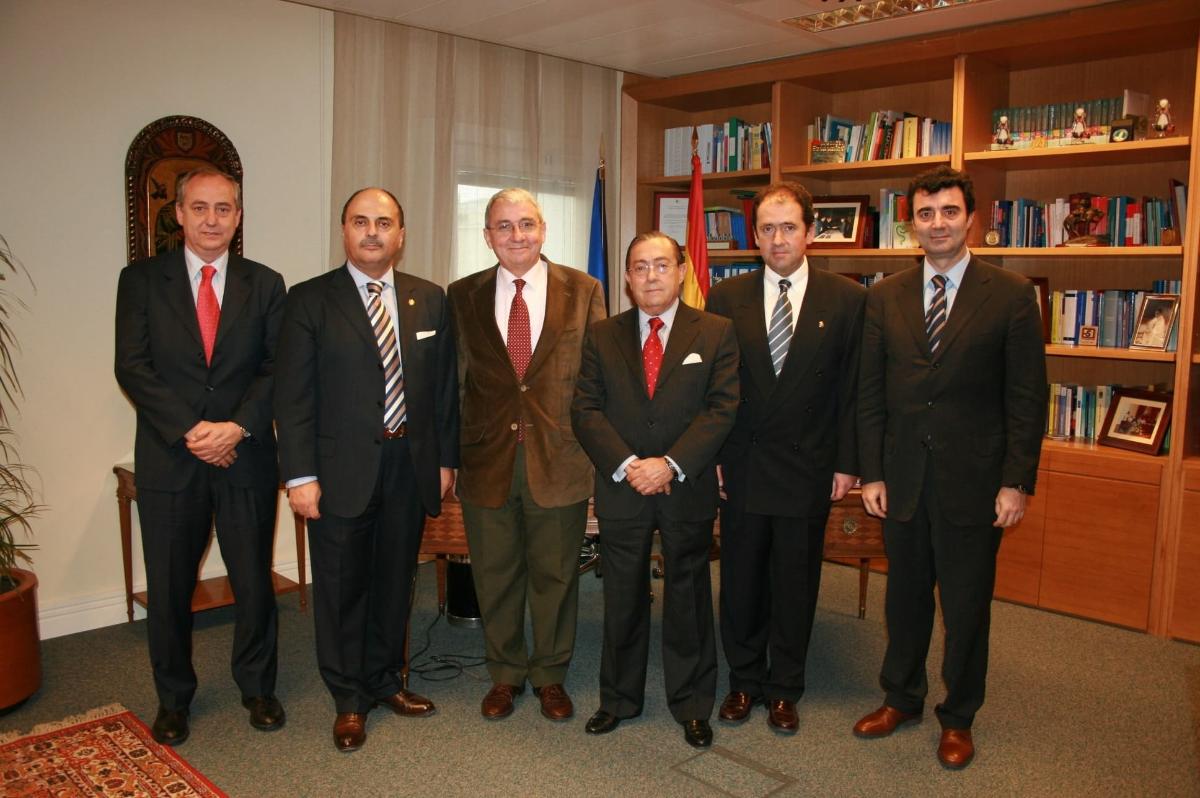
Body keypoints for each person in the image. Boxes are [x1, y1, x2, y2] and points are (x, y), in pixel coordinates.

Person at [854, 166, 1047, 769]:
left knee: (965, 609)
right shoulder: (884, 295)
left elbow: (1027, 397)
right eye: (926, 213)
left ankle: (959, 716)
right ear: (912, 224)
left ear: (971, 219)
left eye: (949, 211)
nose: (937, 223)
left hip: (976, 482)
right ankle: (901, 698)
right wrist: (872, 472)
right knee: (904, 601)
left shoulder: (1011, 294)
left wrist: (1016, 481)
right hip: (902, 478)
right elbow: (870, 393)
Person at [274, 187, 459, 752]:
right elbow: (293, 397)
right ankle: (349, 698)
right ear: (344, 231)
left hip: (409, 465)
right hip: (338, 471)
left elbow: (444, 389)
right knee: (340, 588)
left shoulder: (430, 298)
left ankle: (385, 680)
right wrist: (299, 476)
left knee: (394, 582)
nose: (372, 232)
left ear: (401, 234)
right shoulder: (310, 300)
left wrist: (445, 460)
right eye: (361, 222)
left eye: (383, 222)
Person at [115, 167, 286, 746]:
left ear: (238, 217)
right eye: (200, 208)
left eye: (223, 209)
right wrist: (193, 431)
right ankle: (173, 700)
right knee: (168, 587)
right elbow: (132, 366)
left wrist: (235, 428)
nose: (212, 219)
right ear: (180, 214)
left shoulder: (266, 283)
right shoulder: (141, 281)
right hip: (171, 458)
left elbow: (276, 367)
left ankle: (258, 688)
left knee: (253, 581)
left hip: (245, 456)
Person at [706, 182, 864, 734]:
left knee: (795, 583)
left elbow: (854, 390)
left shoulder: (847, 299)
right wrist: (715, 454)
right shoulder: (726, 297)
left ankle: (785, 688)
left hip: (810, 463)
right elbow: (715, 388)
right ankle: (744, 681)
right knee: (741, 581)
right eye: (768, 228)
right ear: (755, 236)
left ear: (810, 232)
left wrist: (848, 462)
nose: (778, 239)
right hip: (743, 463)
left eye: (789, 227)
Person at [572, 231, 739, 749]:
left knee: (688, 596)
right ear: (627, 278)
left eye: (661, 265)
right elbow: (585, 408)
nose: (651, 276)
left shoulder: (716, 332)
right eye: (640, 267)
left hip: (684, 485)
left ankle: (692, 704)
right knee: (621, 596)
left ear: (682, 272)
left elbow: (722, 408)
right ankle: (618, 700)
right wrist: (628, 465)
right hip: (623, 486)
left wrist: (669, 464)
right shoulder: (601, 335)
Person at [448, 189, 605, 722]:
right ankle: (506, 673)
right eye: (504, 226)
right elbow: (455, 384)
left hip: (560, 457)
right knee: (494, 574)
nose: (517, 235)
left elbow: (596, 380)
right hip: (486, 457)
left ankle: (550, 675)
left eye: (527, 224)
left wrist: (599, 456)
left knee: (556, 576)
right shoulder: (462, 295)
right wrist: (449, 457)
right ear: (487, 236)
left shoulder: (583, 290)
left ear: (543, 229)